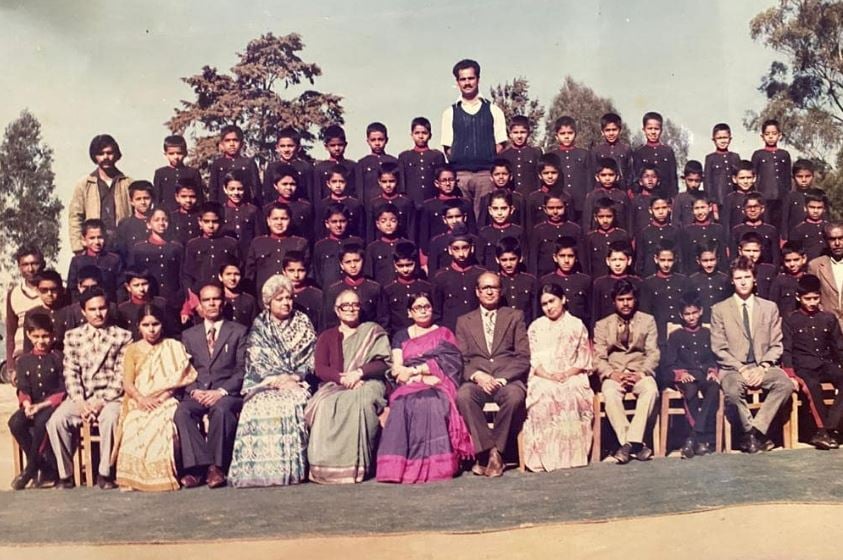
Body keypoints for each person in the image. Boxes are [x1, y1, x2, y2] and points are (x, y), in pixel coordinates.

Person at [228, 275, 316, 487]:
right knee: (257, 406)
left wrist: (294, 377)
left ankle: (288, 471)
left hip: (296, 381)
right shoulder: (259, 326)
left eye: (289, 298)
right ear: (268, 302)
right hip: (266, 383)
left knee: (290, 403)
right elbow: (256, 360)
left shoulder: (303, 322)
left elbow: (312, 357)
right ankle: (254, 473)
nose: (286, 303)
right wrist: (275, 380)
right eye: (280, 299)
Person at [376, 292, 473, 483]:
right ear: (409, 313)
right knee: (404, 402)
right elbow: (397, 368)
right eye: (418, 308)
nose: (423, 311)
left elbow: (451, 363)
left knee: (430, 402)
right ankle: (398, 468)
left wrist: (418, 371)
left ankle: (436, 466)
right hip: (409, 383)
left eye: (426, 307)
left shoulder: (444, 333)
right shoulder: (401, 335)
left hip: (439, 381)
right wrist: (413, 376)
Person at [46, 288, 132, 489]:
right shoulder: (73, 336)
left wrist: (100, 402)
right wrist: (80, 402)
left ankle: (105, 472)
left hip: (110, 398)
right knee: (56, 421)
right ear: (83, 312)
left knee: (111, 419)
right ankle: (65, 474)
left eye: (102, 308)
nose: (98, 313)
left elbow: (121, 375)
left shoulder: (122, 336)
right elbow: (71, 372)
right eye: (92, 309)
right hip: (81, 398)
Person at [710, 256, 793, 453]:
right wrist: (742, 368)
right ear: (732, 280)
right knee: (731, 389)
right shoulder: (720, 310)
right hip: (734, 368)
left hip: (763, 366)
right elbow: (719, 348)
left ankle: (754, 433)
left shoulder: (769, 307)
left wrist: (763, 367)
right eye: (739, 278)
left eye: (747, 277)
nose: (744, 282)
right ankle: (752, 432)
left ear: (754, 278)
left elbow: (776, 345)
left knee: (785, 384)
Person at [306, 290, 390, 483]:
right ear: (337, 310)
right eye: (346, 305)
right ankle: (326, 466)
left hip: (368, 381)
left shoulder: (372, 332)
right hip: (336, 384)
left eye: (355, 305)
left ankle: (358, 465)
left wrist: (359, 373)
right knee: (326, 405)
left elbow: (383, 363)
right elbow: (320, 368)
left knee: (360, 401)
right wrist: (342, 378)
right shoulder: (327, 336)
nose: (352, 309)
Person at [115, 304, 197, 492]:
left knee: (162, 424)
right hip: (139, 400)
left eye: (155, 324)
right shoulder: (132, 350)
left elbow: (180, 379)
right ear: (138, 326)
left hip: (165, 400)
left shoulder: (173, 346)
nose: (151, 329)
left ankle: (160, 476)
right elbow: (128, 383)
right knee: (135, 423)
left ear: (162, 324)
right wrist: (142, 399)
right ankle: (135, 477)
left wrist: (162, 397)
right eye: (146, 325)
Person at [455, 272, 529, 477]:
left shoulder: (514, 316)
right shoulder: (464, 321)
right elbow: (461, 360)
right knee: (463, 396)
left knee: (515, 397)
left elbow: (523, 356)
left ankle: (496, 451)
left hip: (506, 379)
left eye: (494, 287)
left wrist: (503, 378)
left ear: (501, 290)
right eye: (485, 288)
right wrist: (477, 376)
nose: (489, 291)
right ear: (477, 292)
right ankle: (488, 450)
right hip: (478, 380)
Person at [174, 282, 248, 488]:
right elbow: (185, 369)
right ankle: (197, 468)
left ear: (223, 302)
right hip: (198, 391)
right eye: (206, 300)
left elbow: (243, 369)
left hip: (226, 393)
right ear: (200, 305)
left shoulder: (239, 331)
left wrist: (221, 391)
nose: (212, 303)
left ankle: (216, 467)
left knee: (222, 410)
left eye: (216, 299)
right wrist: (194, 390)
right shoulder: (190, 335)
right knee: (182, 411)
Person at [522, 283, 594, 472]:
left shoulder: (576, 325)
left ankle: (571, 456)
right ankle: (547, 456)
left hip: (572, 374)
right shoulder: (536, 327)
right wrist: (550, 375)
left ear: (563, 299)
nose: (549, 307)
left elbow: (583, 358)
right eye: (544, 304)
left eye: (552, 301)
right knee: (545, 392)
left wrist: (567, 373)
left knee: (571, 392)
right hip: (544, 375)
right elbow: (534, 360)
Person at [593, 280, 660, 464]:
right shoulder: (602, 325)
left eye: (629, 299)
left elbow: (653, 353)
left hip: (639, 372)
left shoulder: (647, 321)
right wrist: (612, 374)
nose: (625, 303)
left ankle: (628, 444)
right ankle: (636, 445)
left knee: (651, 390)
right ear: (614, 301)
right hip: (614, 374)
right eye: (621, 299)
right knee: (609, 393)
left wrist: (641, 373)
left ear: (635, 300)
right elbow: (598, 357)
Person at [440, 59, 507, 220]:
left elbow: (501, 143)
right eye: (463, 79)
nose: (467, 83)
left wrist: (484, 159)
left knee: (484, 219)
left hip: (485, 175)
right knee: (462, 220)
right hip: (460, 176)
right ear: (457, 82)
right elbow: (448, 148)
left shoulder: (493, 110)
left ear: (478, 79)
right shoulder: (450, 112)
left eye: (471, 78)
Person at [782, 274, 843, 450]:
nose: (812, 302)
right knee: (813, 387)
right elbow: (787, 348)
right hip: (803, 367)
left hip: (824, 363)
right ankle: (822, 431)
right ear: (798, 298)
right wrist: (790, 373)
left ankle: (830, 427)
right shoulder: (791, 319)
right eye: (807, 299)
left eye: (815, 298)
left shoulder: (828, 318)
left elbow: (838, 346)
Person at [9, 313, 64, 490]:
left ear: (52, 335)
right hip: (32, 404)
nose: (41, 341)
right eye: (36, 337)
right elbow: (23, 388)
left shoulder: (58, 358)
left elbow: (63, 389)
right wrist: (26, 405)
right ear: (28, 336)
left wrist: (41, 406)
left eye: (45, 336)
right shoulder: (24, 360)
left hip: (51, 404)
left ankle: (30, 469)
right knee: (15, 422)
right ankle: (42, 465)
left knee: (42, 422)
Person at [663, 293, 720, 458]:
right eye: (687, 314)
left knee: (714, 387)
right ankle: (701, 440)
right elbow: (669, 364)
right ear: (681, 315)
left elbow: (713, 357)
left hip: (704, 375)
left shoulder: (708, 334)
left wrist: (712, 371)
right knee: (690, 390)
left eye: (694, 313)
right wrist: (681, 374)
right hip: (686, 377)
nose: (691, 317)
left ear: (701, 311)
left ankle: (693, 437)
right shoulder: (675, 336)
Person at [68, 134, 132, 254]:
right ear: (94, 157)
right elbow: (75, 217)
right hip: (95, 246)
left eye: (109, 153)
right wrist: (78, 248)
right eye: (101, 154)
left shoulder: (127, 183)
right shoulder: (84, 184)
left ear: (116, 154)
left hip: (123, 246)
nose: (105, 157)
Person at [4, 245, 45, 383]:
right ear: (19, 267)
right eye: (25, 264)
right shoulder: (13, 294)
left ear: (42, 263)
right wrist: (11, 368)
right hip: (22, 358)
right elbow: (10, 333)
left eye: (34, 263)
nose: (30, 269)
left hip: (48, 356)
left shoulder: (53, 290)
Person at [67, 219, 123, 304]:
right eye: (92, 238)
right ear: (84, 240)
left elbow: (120, 288)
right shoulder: (77, 261)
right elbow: (72, 289)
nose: (97, 242)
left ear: (105, 237)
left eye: (100, 237)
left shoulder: (114, 260)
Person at [751, 119, 792, 232]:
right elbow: (753, 177)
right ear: (762, 136)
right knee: (765, 226)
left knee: (781, 226)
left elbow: (788, 177)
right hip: (764, 197)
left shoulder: (784, 154)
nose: (770, 137)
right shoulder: (758, 154)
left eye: (774, 134)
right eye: (767, 134)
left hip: (782, 197)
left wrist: (788, 195)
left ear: (780, 135)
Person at [548, 116, 590, 222]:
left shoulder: (584, 154)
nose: (566, 137)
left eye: (570, 133)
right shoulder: (552, 155)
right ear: (556, 136)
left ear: (575, 134)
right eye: (562, 134)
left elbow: (589, 179)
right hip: (559, 203)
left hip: (580, 203)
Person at [399, 117, 447, 209]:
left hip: (432, 200)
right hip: (411, 202)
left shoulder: (437, 156)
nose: (421, 136)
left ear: (430, 135)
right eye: (417, 133)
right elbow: (402, 184)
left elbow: (441, 179)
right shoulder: (404, 156)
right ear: (412, 135)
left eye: (424, 133)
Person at [208, 125, 261, 206]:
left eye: (235, 140)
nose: (232, 144)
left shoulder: (248, 163)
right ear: (222, 144)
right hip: (223, 209)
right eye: (228, 141)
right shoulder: (217, 164)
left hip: (245, 209)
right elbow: (213, 191)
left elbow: (256, 189)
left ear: (242, 143)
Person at [262, 126, 314, 205]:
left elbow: (310, 194)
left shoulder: (305, 167)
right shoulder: (272, 167)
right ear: (277, 147)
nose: (286, 150)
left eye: (290, 146)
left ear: (298, 147)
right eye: (282, 146)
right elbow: (268, 194)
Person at [807, 222, 843, 330]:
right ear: (826, 241)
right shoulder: (815, 266)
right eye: (832, 239)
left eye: (841, 238)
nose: (837, 243)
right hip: (827, 327)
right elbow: (811, 296)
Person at [153, 134, 204, 211]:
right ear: (165, 154)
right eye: (171, 154)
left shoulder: (192, 173)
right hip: (168, 214)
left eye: (179, 153)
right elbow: (157, 199)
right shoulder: (160, 173)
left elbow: (199, 197)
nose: (176, 157)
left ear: (185, 153)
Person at [632, 111, 678, 197]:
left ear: (661, 130)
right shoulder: (639, 152)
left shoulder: (667, 151)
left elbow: (673, 178)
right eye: (650, 128)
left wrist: (673, 199)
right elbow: (636, 177)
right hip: (645, 198)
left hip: (664, 198)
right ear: (644, 130)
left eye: (656, 129)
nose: (653, 132)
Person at [355, 122, 400, 207]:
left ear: (386, 140)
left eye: (380, 139)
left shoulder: (394, 161)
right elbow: (360, 191)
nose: (377, 143)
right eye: (373, 140)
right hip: (369, 207)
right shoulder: (362, 163)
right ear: (368, 141)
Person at [589, 112, 634, 191]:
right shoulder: (596, 151)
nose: (611, 133)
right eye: (607, 130)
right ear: (602, 132)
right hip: (602, 191)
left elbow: (630, 172)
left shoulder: (626, 149)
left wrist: (629, 188)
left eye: (614, 130)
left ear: (620, 130)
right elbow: (593, 173)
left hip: (622, 190)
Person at [499, 115, 542, 196]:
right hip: (510, 198)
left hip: (531, 197)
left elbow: (541, 176)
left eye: (523, 132)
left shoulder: (535, 153)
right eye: (515, 132)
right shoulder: (504, 155)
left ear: (528, 133)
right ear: (510, 134)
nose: (519, 136)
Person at [703, 123, 741, 209]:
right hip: (719, 201)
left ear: (730, 139)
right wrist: (712, 202)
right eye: (719, 138)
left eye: (725, 138)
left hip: (734, 201)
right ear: (714, 139)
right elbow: (708, 183)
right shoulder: (710, 158)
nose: (723, 141)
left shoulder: (735, 157)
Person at [115, 180, 155, 262]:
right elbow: (120, 253)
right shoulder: (125, 225)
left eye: (146, 198)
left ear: (153, 199)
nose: (143, 202)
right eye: (138, 199)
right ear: (131, 202)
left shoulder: (160, 222)